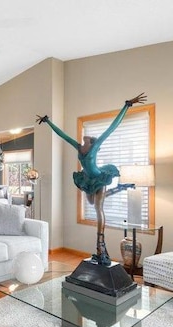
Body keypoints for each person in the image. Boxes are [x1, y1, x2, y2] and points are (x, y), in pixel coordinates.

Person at [37, 93, 147, 266]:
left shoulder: (95, 146)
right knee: (91, 201)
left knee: (98, 208)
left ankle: (100, 244)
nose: (84, 140)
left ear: (93, 142)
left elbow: (112, 127)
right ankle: (120, 188)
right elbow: (62, 135)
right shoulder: (78, 146)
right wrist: (47, 121)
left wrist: (127, 105)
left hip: (98, 177)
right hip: (87, 179)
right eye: (84, 139)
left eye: (87, 139)